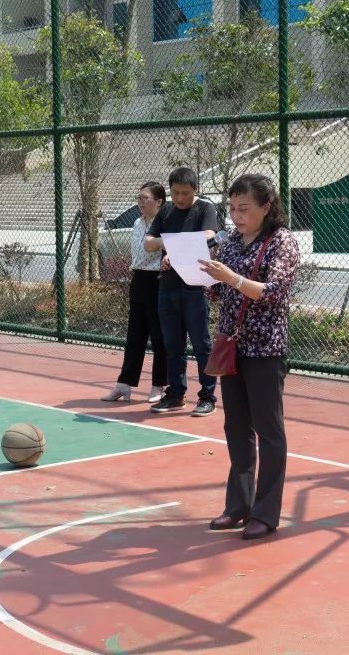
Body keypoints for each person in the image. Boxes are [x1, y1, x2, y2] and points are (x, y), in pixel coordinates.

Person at [199, 173, 300, 541]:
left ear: (266, 207)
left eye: (244, 208)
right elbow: (219, 293)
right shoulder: (230, 243)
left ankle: (266, 513)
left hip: (265, 348)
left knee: (268, 430)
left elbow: (273, 291)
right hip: (232, 345)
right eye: (232, 208)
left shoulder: (281, 241)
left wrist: (232, 278)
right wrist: (199, 274)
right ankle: (239, 506)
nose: (236, 216)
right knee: (236, 426)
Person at [144, 167, 219, 416]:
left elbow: (209, 235)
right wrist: (171, 245)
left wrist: (174, 247)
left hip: (195, 288)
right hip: (167, 288)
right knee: (172, 345)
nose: (179, 198)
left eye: (185, 193)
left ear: (195, 189)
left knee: (201, 345)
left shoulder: (205, 209)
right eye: (175, 193)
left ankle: (207, 396)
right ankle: (176, 394)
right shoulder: (166, 210)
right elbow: (149, 243)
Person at [101, 182, 169, 403]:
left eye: (145, 198)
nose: (140, 202)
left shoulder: (166, 224)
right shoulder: (137, 222)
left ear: (158, 201)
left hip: (158, 280)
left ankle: (159, 385)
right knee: (134, 334)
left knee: (159, 335)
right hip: (138, 279)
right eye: (139, 198)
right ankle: (124, 384)